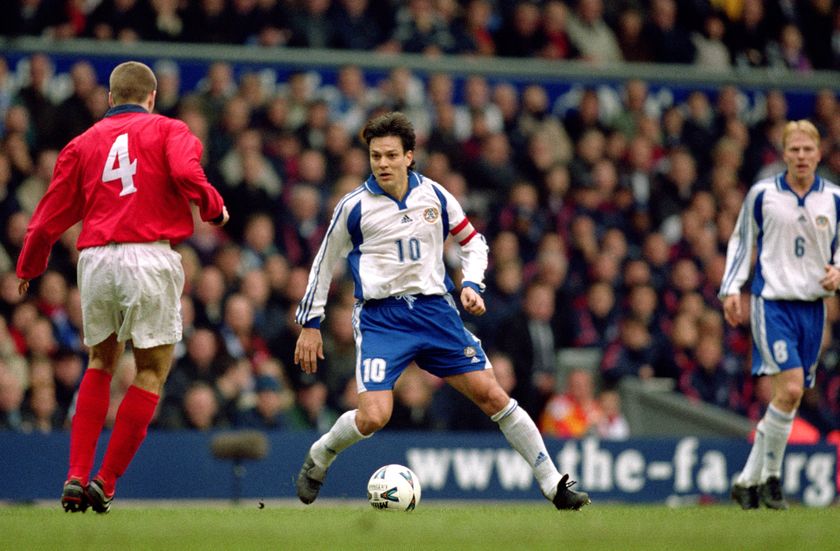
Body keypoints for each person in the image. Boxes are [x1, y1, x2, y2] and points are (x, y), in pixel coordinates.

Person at [292, 112, 589, 511]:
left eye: (390, 155)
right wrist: (310, 324)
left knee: (492, 394)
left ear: (409, 157)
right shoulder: (353, 207)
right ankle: (322, 453)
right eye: (375, 156)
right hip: (383, 320)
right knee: (374, 417)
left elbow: (474, 242)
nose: (382, 163)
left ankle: (554, 484)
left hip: (436, 312)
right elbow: (323, 262)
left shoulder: (434, 195)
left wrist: (471, 283)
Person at [16, 61, 229, 513]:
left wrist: (30, 264)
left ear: (110, 99)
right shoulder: (172, 130)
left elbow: (49, 212)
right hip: (149, 255)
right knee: (151, 371)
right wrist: (212, 208)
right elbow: (188, 175)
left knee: (100, 360)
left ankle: (75, 474)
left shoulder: (81, 143)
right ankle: (106, 480)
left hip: (95, 258)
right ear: (151, 98)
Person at [720, 120, 838, 510]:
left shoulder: (834, 199)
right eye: (795, 150)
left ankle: (747, 479)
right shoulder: (763, 195)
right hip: (772, 303)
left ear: (819, 154)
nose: (802, 157)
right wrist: (731, 289)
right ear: (784, 154)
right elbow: (741, 240)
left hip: (813, 307)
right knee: (788, 390)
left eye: (808, 150)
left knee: (791, 398)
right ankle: (771, 479)